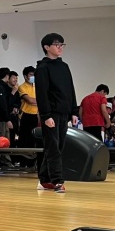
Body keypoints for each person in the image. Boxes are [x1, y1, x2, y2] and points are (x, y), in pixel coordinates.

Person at [35, 33, 78, 194]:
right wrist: (46, 116)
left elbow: (70, 90)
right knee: (53, 147)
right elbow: (42, 94)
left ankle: (45, 179)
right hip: (51, 113)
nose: (60, 47)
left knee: (58, 146)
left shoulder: (64, 66)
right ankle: (57, 180)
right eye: (56, 44)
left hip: (64, 113)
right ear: (47, 47)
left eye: (62, 44)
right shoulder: (42, 68)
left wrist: (74, 111)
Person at [17, 65, 40, 165]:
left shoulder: (37, 86)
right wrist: (39, 101)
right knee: (24, 139)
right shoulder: (22, 87)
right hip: (25, 115)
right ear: (25, 76)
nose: (33, 77)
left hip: (35, 115)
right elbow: (29, 100)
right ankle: (23, 162)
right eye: (31, 75)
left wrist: (37, 101)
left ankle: (31, 162)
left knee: (33, 139)